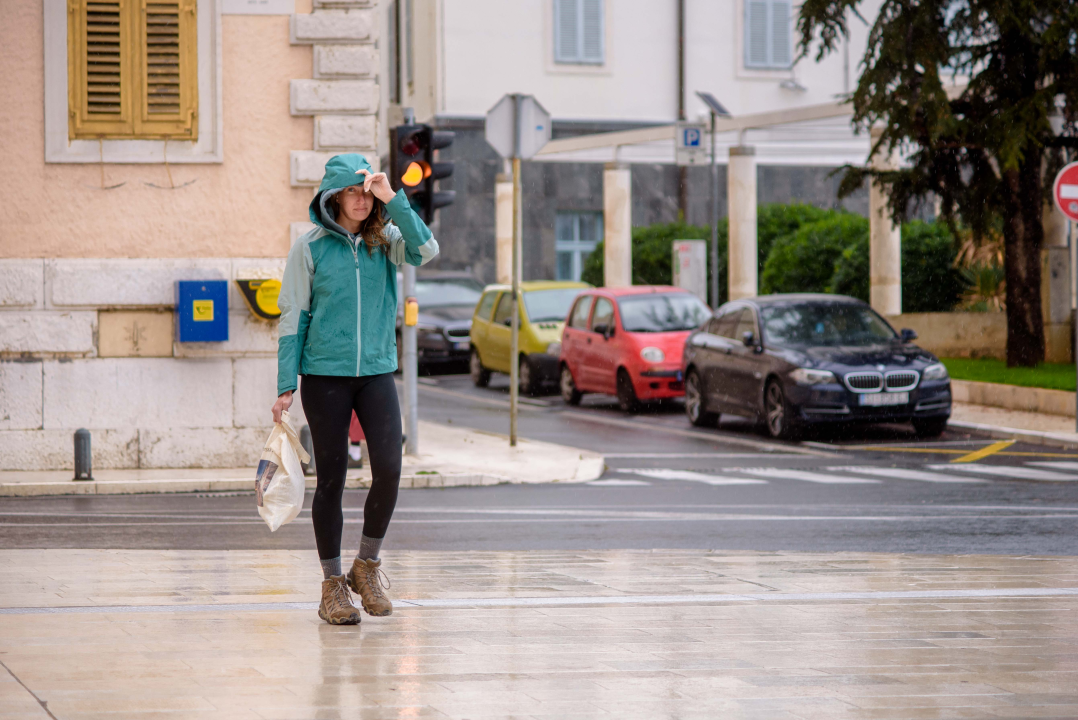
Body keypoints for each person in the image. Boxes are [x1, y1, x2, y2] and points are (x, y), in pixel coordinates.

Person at [272, 153, 439, 625]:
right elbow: (293, 316)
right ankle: (331, 587)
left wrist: (394, 198)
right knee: (332, 480)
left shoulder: (385, 241)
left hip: (377, 372)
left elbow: (427, 250)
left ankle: (365, 567)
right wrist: (287, 384)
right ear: (333, 197)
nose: (362, 200)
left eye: (368, 191)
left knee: (388, 468)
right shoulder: (310, 249)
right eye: (354, 192)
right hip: (324, 374)